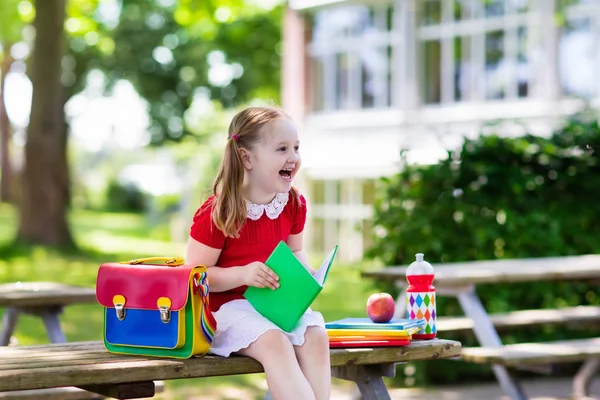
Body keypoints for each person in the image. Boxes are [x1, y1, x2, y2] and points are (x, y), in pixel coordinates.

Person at [185, 106, 331, 400]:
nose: (293, 157)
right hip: (224, 311)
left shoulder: (292, 204)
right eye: (281, 149)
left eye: (296, 148)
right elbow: (193, 277)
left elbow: (295, 252)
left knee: (316, 336)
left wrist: (308, 275)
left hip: (274, 305)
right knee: (275, 343)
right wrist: (243, 274)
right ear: (246, 157)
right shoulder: (219, 211)